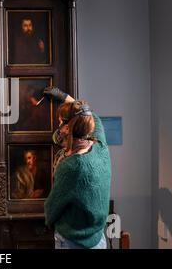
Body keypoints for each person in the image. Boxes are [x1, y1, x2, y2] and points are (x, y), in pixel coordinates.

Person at [43, 86, 111, 249]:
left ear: (67, 127)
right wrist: (64, 97)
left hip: (73, 241)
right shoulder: (100, 146)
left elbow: (53, 206)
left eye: (60, 122)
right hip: (97, 238)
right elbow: (90, 114)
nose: (58, 125)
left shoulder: (72, 166)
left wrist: (50, 222)